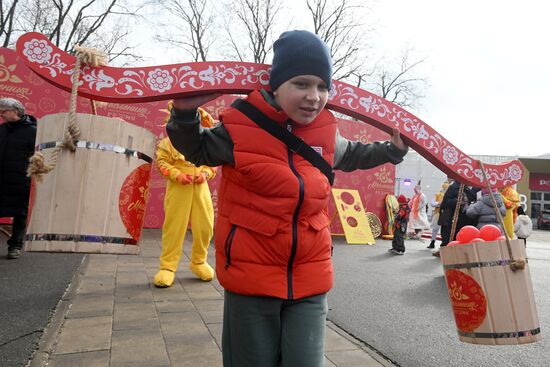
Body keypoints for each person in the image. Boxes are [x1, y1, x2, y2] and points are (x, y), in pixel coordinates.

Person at [166, 30, 408, 367]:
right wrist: (183, 115)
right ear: (276, 85)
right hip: (252, 280)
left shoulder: (326, 133)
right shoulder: (240, 127)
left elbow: (353, 154)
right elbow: (197, 148)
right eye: (302, 84)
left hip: (310, 280)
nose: (314, 96)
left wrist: (392, 151)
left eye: (323, 87)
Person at [153, 106, 218, 287]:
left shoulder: (206, 141)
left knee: (205, 226)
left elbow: (213, 163)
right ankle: (167, 266)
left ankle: (199, 261)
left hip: (200, 187)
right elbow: (162, 162)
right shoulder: (168, 143)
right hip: (178, 189)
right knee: (174, 227)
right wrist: (176, 174)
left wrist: (205, 173)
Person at [0, 98, 37, 259]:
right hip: (1, 177)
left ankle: (15, 246)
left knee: (19, 213)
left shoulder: (33, 131)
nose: (1, 114)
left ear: (15, 111)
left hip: (20, 179)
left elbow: (39, 156)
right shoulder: (2, 129)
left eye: (3, 111)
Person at [433, 179, 478, 257]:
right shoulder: (454, 187)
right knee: (448, 235)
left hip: (464, 218)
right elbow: (446, 202)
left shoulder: (467, 188)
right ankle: (444, 250)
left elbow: (472, 199)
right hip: (452, 217)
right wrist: (458, 201)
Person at [427, 181, 449, 248]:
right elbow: (432, 203)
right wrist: (439, 204)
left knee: (442, 229)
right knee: (435, 229)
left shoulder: (448, 195)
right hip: (438, 214)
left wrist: (439, 204)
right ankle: (433, 242)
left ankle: (440, 243)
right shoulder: (438, 194)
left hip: (445, 214)